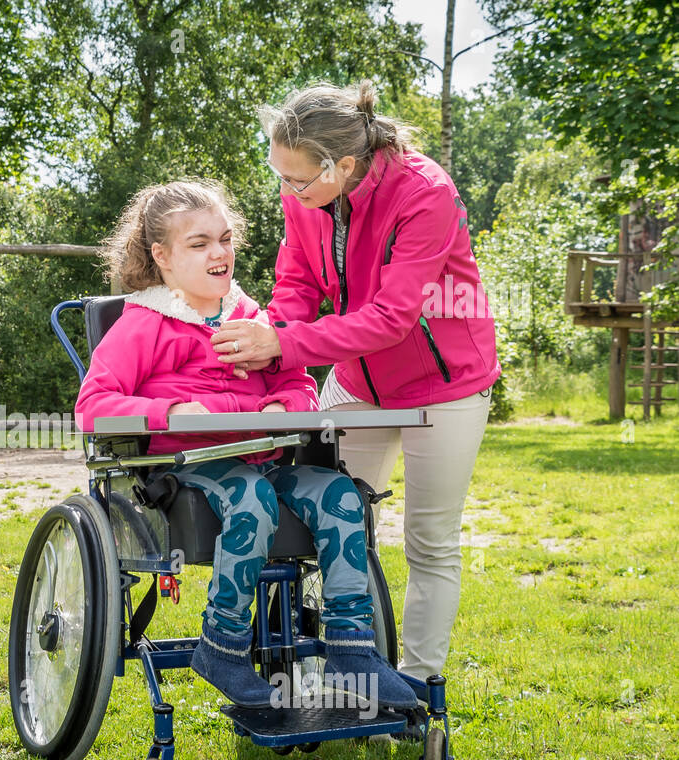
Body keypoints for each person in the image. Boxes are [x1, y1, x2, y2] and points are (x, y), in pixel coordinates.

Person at [73, 179, 418, 711]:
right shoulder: (144, 323)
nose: (219, 253)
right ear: (161, 257)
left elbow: (297, 380)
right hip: (186, 466)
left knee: (341, 495)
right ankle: (223, 646)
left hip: (264, 453)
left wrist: (285, 404)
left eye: (226, 239)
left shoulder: (250, 317)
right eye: (200, 244)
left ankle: (352, 650)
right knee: (250, 497)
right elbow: (93, 405)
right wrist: (170, 412)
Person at [212, 82, 501, 687]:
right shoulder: (305, 193)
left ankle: (417, 686)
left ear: (343, 164)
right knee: (321, 520)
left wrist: (285, 343)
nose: (288, 192)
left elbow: (393, 318)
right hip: (355, 381)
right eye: (280, 178)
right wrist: (270, 342)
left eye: (297, 181)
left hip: (444, 388)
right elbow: (295, 285)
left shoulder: (426, 193)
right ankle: (330, 664)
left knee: (428, 542)